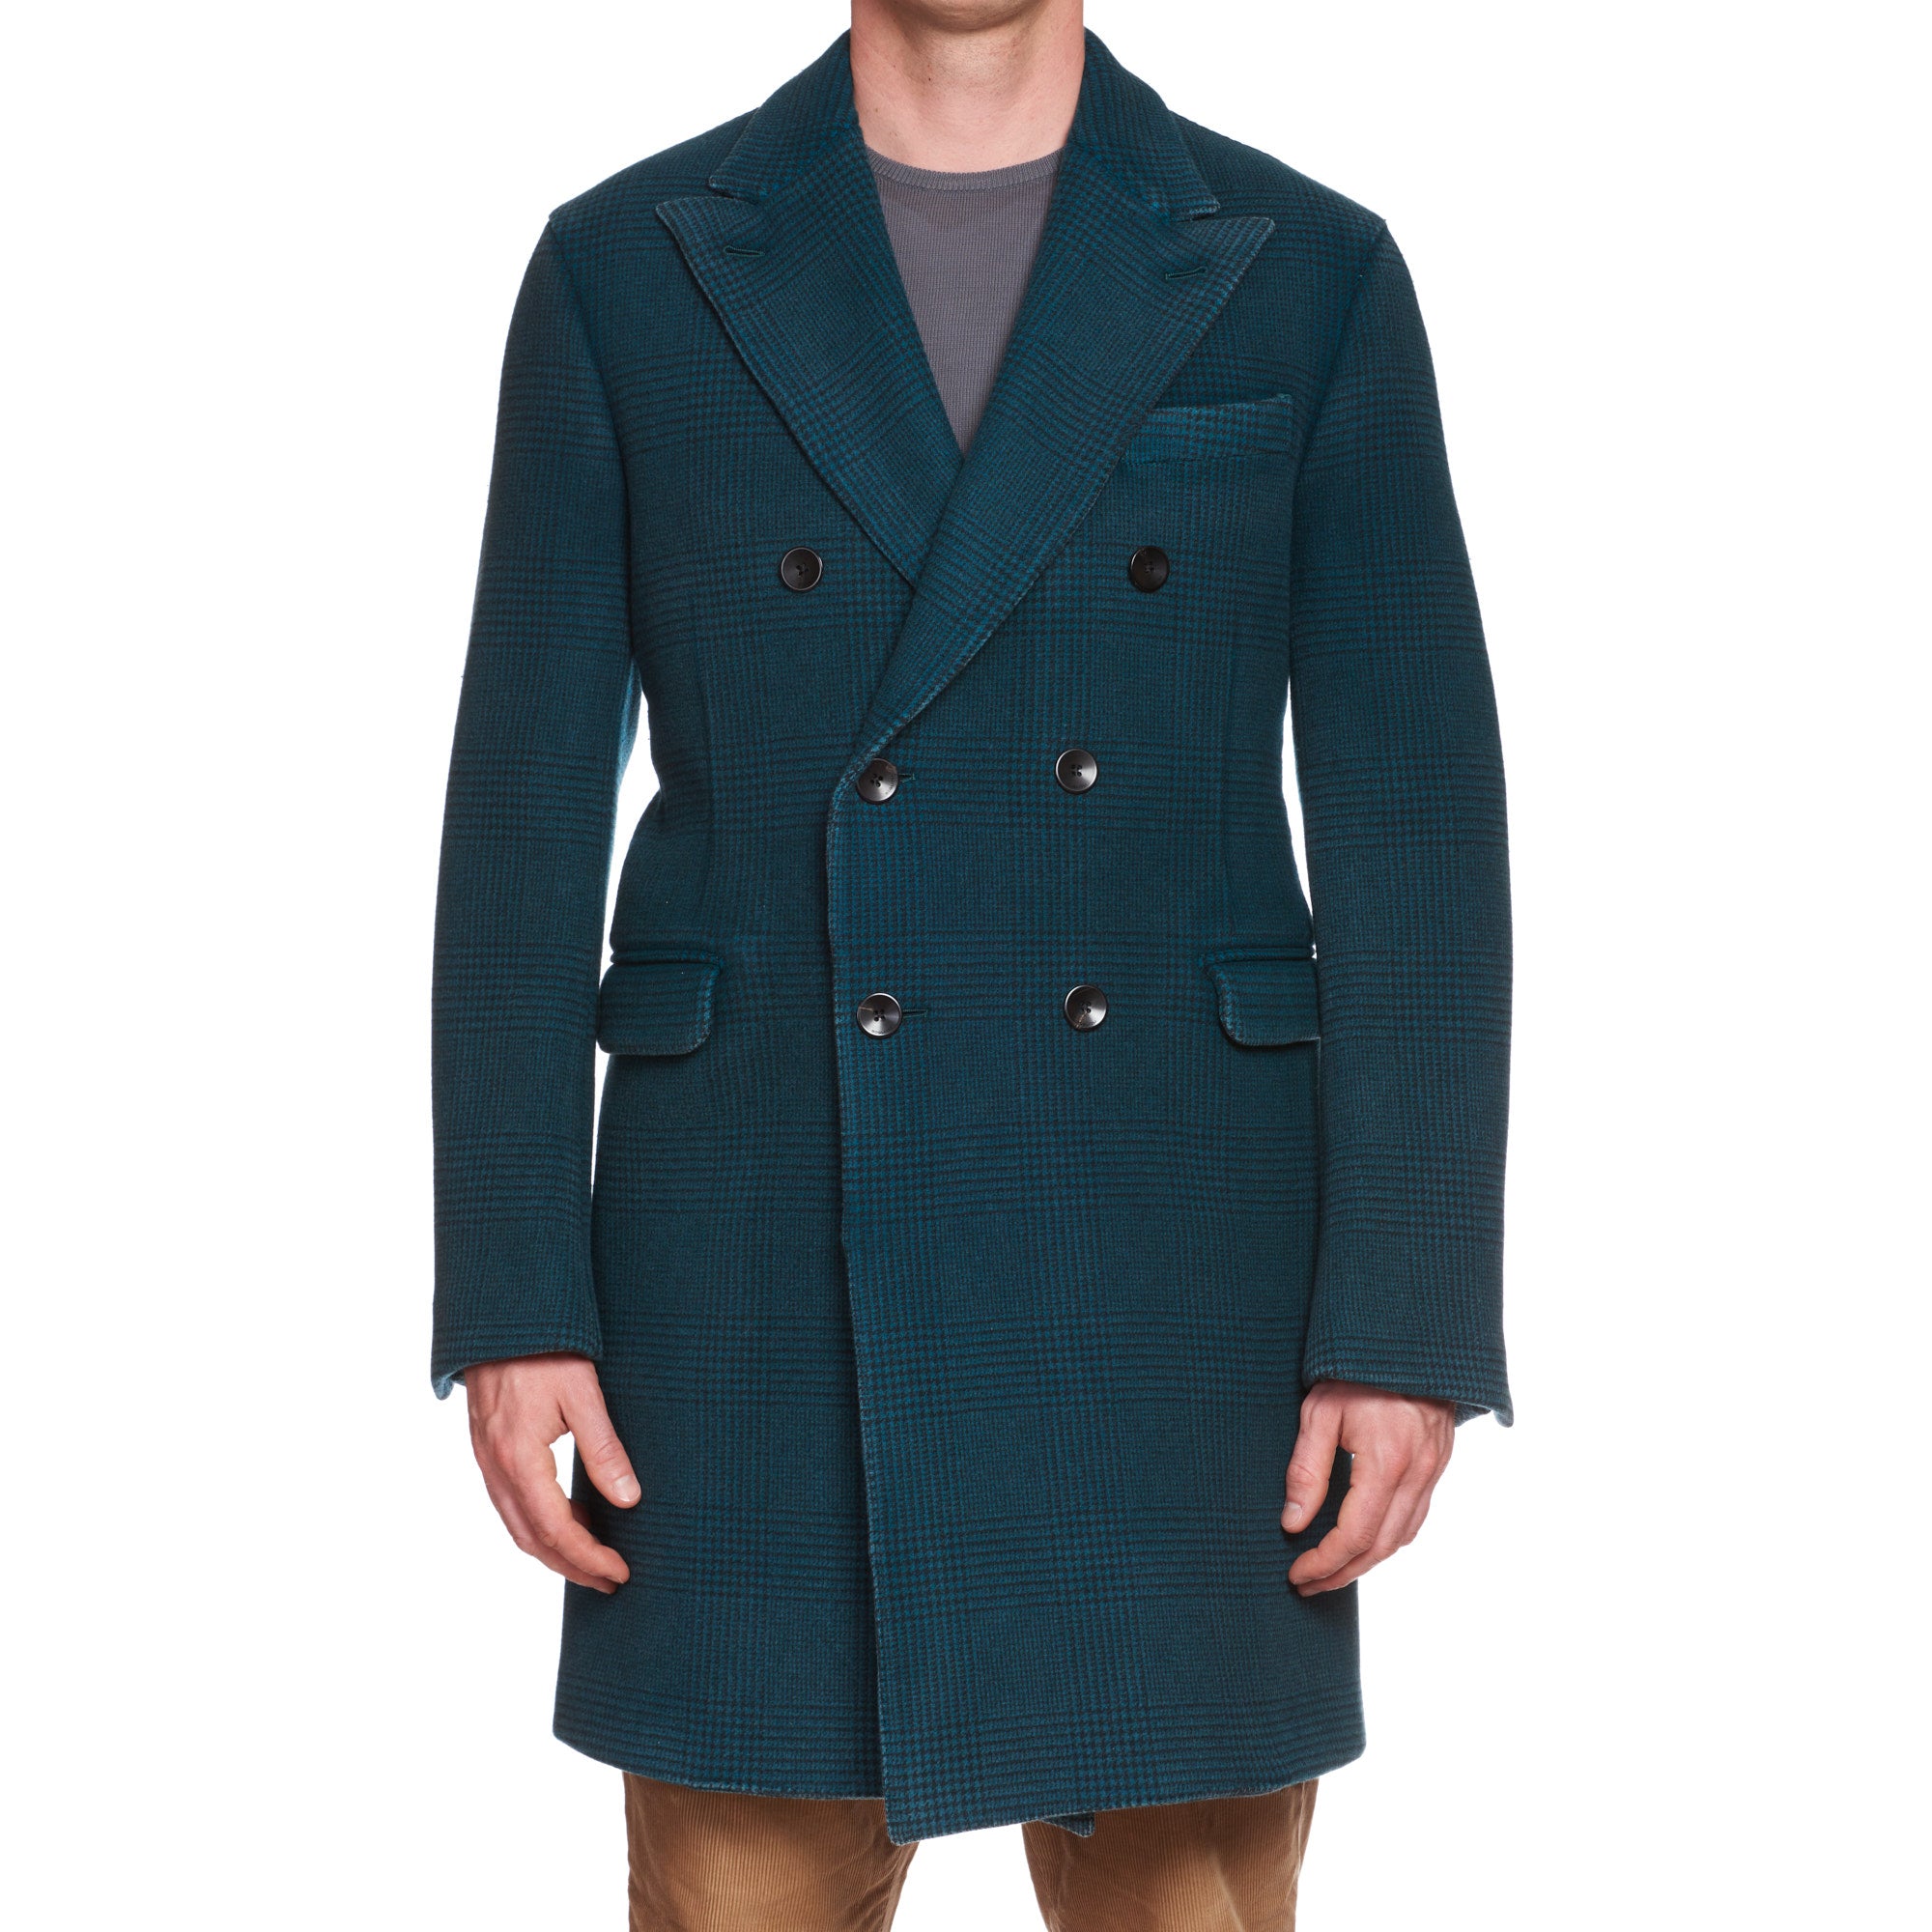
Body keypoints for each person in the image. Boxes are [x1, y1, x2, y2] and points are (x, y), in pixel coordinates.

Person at [431, 1, 1513, 1924]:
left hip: (1178, 1292)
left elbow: (1417, 833)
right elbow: (518, 830)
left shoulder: (1307, 272)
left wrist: (1403, 1325)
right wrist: (516, 1297)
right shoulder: (628, 270)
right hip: (746, 1285)